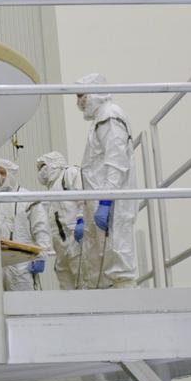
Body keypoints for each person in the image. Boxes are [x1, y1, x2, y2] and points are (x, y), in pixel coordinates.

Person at [74, 73, 138, 288]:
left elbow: (116, 161)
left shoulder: (109, 116)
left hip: (112, 204)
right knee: (105, 260)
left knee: (118, 259)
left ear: (94, 94)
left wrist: (106, 201)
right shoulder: (100, 120)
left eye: (82, 96)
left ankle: (127, 309)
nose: (79, 102)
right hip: (103, 203)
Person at [0, 159, 52, 291]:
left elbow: (41, 229)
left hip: (21, 264)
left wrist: (41, 256)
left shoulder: (27, 198)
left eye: (2, 173)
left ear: (11, 174)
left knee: (23, 304)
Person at [36, 151, 85, 291]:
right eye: (39, 168)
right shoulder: (51, 190)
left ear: (54, 163)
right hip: (62, 247)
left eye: (43, 166)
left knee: (83, 282)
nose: (41, 171)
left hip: (76, 239)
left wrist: (82, 220)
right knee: (66, 287)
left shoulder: (69, 173)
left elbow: (84, 197)